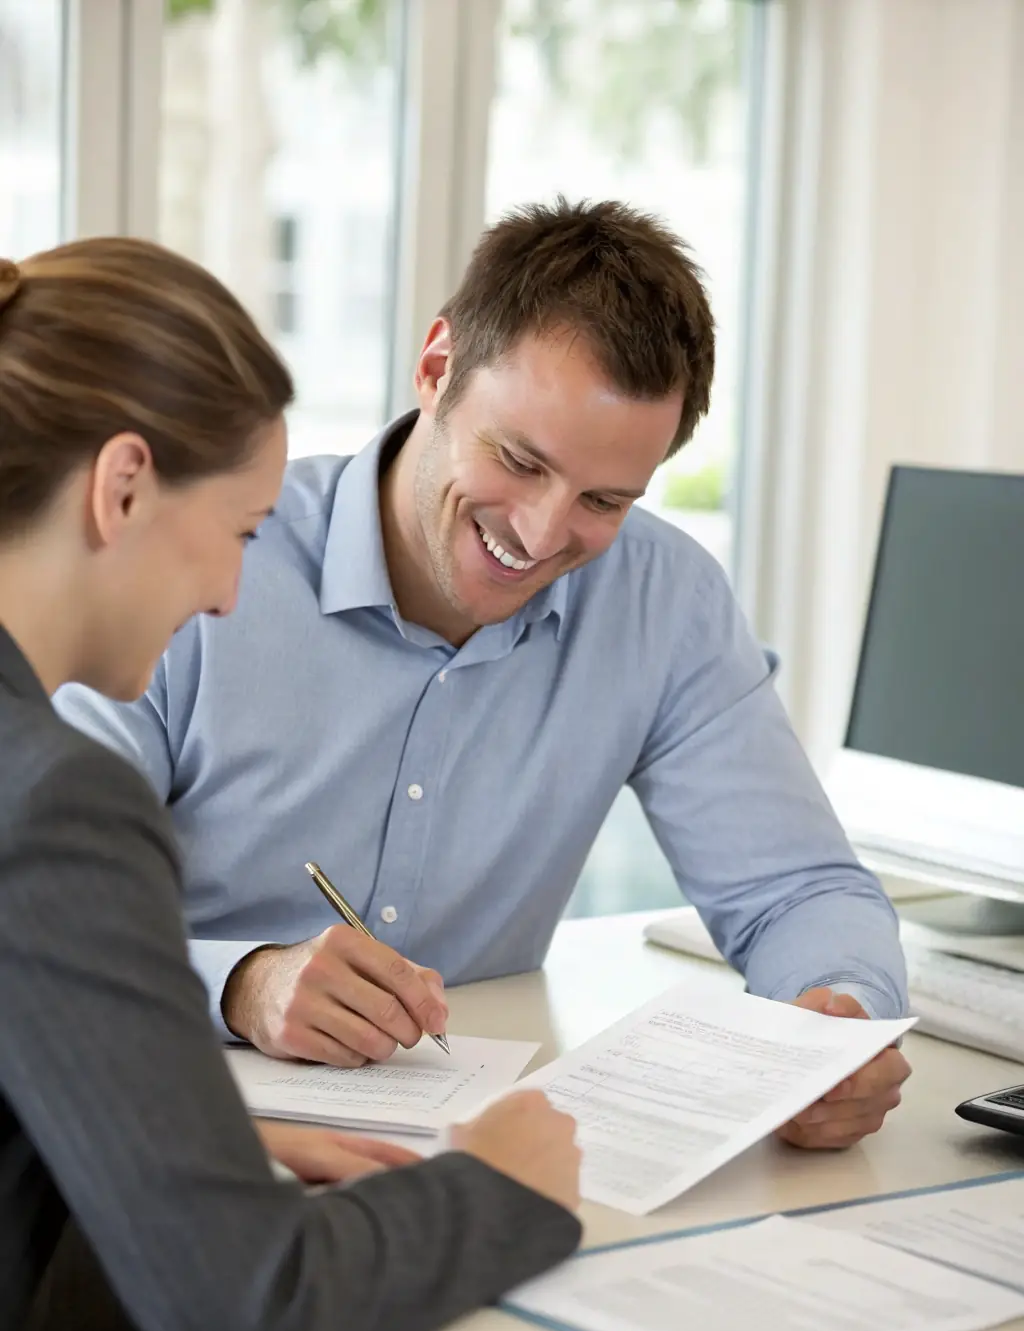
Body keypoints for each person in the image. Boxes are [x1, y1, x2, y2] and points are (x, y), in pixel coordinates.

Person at [57, 199, 912, 1155]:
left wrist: (834, 1017)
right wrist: (239, 982)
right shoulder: (205, 560)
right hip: (164, 1134)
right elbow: (35, 912)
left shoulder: (663, 599)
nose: (544, 534)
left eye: (603, 499)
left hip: (470, 1148)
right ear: (436, 368)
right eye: (519, 460)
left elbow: (799, 889)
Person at [0, 239, 582, 1331]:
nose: (226, 595)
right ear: (122, 487)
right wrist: (495, 1191)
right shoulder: (58, 800)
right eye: (236, 536)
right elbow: (253, 1311)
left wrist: (188, 1143)